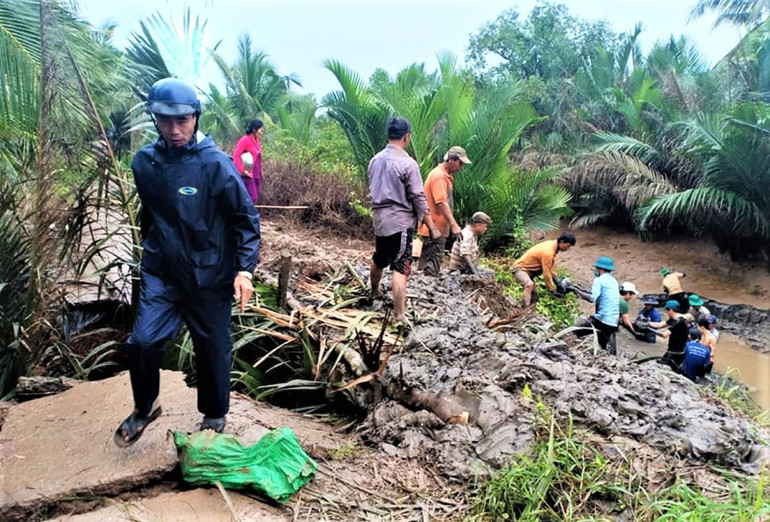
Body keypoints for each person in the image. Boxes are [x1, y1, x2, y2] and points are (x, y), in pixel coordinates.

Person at [114, 78, 261, 446]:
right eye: (165, 120)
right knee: (143, 341)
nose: (174, 129)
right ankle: (145, 407)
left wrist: (244, 270)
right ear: (154, 119)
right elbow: (151, 215)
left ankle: (213, 417)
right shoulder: (144, 163)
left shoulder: (215, 165)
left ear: (196, 117)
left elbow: (245, 219)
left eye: (182, 120)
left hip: (210, 275)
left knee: (212, 348)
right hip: (163, 272)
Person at [368, 116, 439, 323]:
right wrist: (431, 225)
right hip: (399, 222)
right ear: (407, 137)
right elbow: (418, 196)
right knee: (401, 264)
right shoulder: (408, 164)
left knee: (380, 257)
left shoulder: (375, 160)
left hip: (379, 219)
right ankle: (399, 314)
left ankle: (374, 292)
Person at [417, 146, 471, 276]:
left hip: (437, 227)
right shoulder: (439, 176)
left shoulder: (445, 175)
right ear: (452, 159)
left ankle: (424, 285)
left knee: (428, 263)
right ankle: (427, 287)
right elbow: (441, 202)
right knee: (431, 265)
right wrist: (454, 225)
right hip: (435, 228)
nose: (461, 167)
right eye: (460, 163)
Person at [512, 233, 576, 307]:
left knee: (534, 296)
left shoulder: (552, 246)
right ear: (562, 241)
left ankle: (530, 313)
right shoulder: (548, 252)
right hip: (520, 269)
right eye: (567, 246)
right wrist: (551, 290)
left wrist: (557, 283)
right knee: (529, 285)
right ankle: (522, 311)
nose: (567, 248)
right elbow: (546, 273)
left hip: (528, 272)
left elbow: (550, 269)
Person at [572, 256, 620, 353]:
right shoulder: (613, 281)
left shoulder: (599, 280)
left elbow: (592, 298)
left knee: (575, 332)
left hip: (603, 320)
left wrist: (575, 290)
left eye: (596, 268)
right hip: (614, 321)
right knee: (603, 346)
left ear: (600, 269)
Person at [649, 300, 689, 371]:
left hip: (676, 353)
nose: (667, 313)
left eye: (667, 311)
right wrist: (648, 323)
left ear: (670, 310)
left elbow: (664, 335)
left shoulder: (678, 322)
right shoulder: (675, 319)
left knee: (666, 368)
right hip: (673, 350)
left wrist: (648, 329)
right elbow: (660, 324)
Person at [232, 118, 264, 204]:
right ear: (254, 130)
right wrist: (243, 170)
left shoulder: (257, 141)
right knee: (252, 198)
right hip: (248, 175)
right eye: (261, 130)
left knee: (254, 199)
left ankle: (247, 216)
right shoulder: (245, 140)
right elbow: (236, 155)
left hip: (256, 174)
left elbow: (257, 157)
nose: (262, 133)